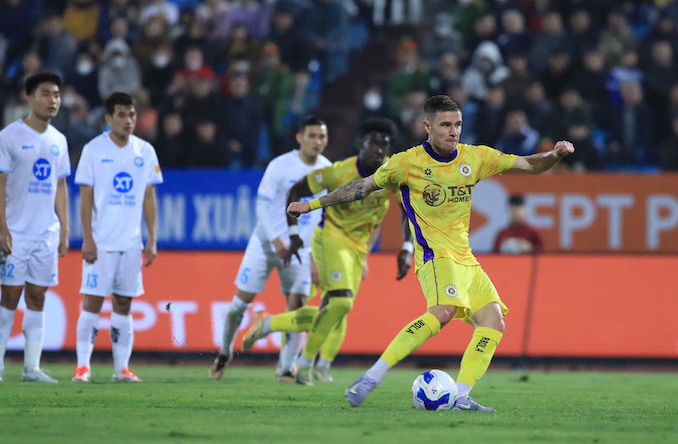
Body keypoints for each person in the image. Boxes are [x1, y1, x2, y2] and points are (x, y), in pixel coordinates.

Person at [287, 95, 574, 410]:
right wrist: (311, 204)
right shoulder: (406, 163)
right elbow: (360, 187)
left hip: (466, 258)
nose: (454, 132)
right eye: (446, 125)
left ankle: (462, 396)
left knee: (493, 323)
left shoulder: (475, 157)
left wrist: (555, 154)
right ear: (428, 126)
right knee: (444, 310)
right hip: (435, 257)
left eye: (458, 125)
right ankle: (370, 378)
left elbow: (530, 164)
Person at [242, 117, 413, 384]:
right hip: (331, 237)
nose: (379, 149)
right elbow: (297, 190)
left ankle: (267, 324)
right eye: (373, 143)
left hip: (357, 247)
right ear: (361, 144)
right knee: (341, 302)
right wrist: (295, 234)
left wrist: (406, 247)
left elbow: (407, 208)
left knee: (335, 311)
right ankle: (306, 363)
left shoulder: (391, 172)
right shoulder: (337, 172)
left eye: (384, 144)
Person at [210, 116, 331, 381]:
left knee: (297, 308)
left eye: (322, 136)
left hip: (301, 251)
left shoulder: (328, 170)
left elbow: (326, 218)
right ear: (300, 138)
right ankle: (224, 350)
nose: (317, 141)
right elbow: (261, 205)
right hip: (265, 245)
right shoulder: (281, 165)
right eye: (311, 136)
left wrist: (316, 257)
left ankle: (286, 367)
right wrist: (275, 238)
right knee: (238, 305)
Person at [71, 92, 163, 382]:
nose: (129, 120)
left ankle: (121, 368)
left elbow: (149, 197)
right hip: (101, 241)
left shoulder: (145, 151)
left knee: (124, 304)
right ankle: (82, 366)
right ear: (108, 119)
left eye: (132, 115)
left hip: (131, 243)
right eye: (122, 115)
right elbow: (85, 199)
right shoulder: (94, 150)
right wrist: (87, 238)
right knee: (93, 302)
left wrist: (152, 239)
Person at [0, 72, 70, 383]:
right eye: (46, 94)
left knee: (38, 297)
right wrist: (2, 228)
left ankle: (31, 368)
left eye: (57, 95)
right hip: (16, 233)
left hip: (45, 234)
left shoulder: (59, 141)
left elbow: (60, 187)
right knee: (10, 297)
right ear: (30, 98)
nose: (53, 100)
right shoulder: (9, 137)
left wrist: (64, 229)